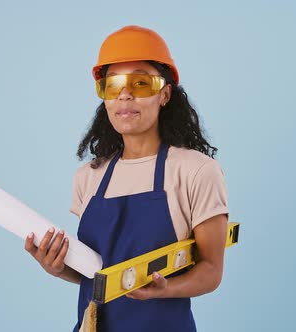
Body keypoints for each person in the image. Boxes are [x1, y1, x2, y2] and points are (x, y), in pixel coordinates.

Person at [24, 25, 229, 331]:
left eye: (141, 83)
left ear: (165, 94)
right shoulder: (88, 178)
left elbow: (211, 270)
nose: (125, 94)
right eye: (113, 84)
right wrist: (56, 267)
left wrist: (167, 289)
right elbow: (97, 274)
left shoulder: (196, 171)